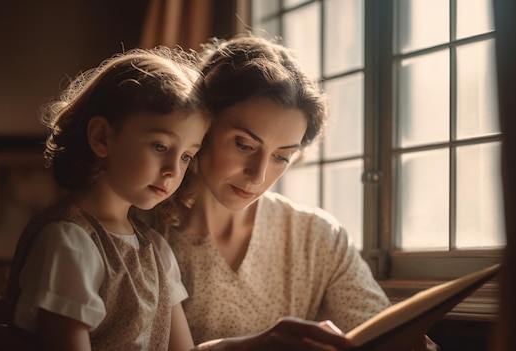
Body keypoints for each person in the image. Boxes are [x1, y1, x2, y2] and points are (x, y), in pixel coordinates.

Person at [146, 34, 439, 350]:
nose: (258, 175)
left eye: (281, 156)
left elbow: (376, 330)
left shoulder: (316, 238)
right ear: (203, 124)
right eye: (244, 145)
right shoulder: (135, 233)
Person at [4, 46, 210, 350]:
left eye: (187, 157)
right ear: (102, 137)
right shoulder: (67, 242)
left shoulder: (157, 251)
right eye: (160, 146)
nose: (172, 170)